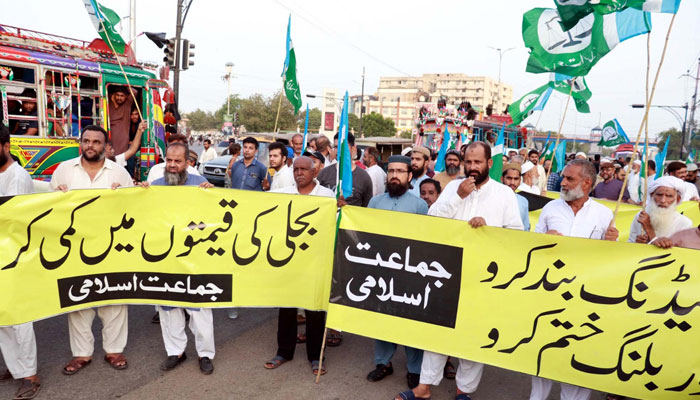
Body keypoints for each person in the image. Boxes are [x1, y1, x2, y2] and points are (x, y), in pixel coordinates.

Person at [398, 142, 523, 400]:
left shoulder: (504, 194)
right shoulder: (454, 187)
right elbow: (433, 219)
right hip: (446, 271)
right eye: (469, 162)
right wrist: (458, 197)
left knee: (474, 333)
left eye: (478, 162)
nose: (472, 167)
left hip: (484, 276)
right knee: (438, 331)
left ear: (490, 164)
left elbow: (516, 235)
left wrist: (489, 228)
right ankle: (424, 386)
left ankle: (464, 390)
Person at [531, 159, 618, 400]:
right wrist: (543, 239)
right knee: (543, 350)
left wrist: (612, 244)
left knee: (578, 349)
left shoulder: (604, 214)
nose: (563, 183)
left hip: (585, 296)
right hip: (550, 291)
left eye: (570, 179)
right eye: (563, 177)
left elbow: (612, 261)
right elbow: (531, 245)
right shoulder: (551, 208)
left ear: (587, 183)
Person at [50, 125, 134, 375]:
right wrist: (57, 195)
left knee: (114, 299)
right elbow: (49, 206)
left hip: (111, 245)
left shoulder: (118, 172)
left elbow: (134, 211)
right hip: (74, 246)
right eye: (86, 141)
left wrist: (126, 195)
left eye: (96, 142)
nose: (90, 146)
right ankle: (81, 354)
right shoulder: (64, 170)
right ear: (80, 143)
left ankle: (114, 349)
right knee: (77, 299)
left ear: (106, 146)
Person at [140, 142, 216, 375]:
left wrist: (212, 195)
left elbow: (212, 221)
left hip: (194, 259)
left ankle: (205, 354)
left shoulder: (200, 186)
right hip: (164, 259)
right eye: (169, 161)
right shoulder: (155, 186)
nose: (172, 165)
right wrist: (139, 195)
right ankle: (176, 352)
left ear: (187, 163)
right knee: (168, 309)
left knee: (199, 310)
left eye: (177, 161)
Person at [264, 156, 335, 376]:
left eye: (304, 169)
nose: (299, 173)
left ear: (315, 172)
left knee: (315, 310)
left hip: (316, 262)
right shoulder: (283, 193)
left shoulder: (327, 196)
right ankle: (284, 351)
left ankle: (316, 356)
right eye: (296, 169)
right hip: (290, 260)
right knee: (287, 308)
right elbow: (251, 201)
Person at [366, 155, 427, 390]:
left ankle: (414, 369)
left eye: (400, 171)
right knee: (382, 319)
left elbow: (423, 242)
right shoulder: (375, 202)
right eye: (391, 171)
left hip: (408, 273)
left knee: (410, 321)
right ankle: (383, 363)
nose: (394, 175)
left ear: (409, 176)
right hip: (380, 270)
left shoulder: (419, 205)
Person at [0, 124, 41, 400]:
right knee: (3, 317)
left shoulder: (17, 176)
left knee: (19, 319)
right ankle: (15, 367)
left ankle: (29, 375)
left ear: (5, 146)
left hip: (14, 257)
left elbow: (11, 220)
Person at [628, 176, 693, 244]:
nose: (663, 200)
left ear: (678, 199)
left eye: (669, 196)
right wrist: (636, 243)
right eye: (659, 195)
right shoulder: (641, 216)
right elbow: (630, 242)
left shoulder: (684, 223)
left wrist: (650, 230)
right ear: (652, 195)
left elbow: (678, 252)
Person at [317, 133, 373, 207]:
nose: (338, 150)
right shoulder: (324, 174)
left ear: (353, 148)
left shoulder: (364, 178)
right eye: (336, 147)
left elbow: (366, 209)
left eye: (343, 146)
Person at [502, 163, 531, 231]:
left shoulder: (523, 201)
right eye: (509, 178)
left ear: (520, 181)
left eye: (516, 179)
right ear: (502, 179)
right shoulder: (494, 197)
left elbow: (525, 227)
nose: (512, 182)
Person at [107, 86, 135, 155]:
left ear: (126, 96)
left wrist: (122, 83)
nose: (119, 98)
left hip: (122, 140)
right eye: (117, 95)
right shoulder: (109, 103)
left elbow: (134, 92)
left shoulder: (127, 104)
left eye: (122, 96)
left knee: (120, 159)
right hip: (110, 137)